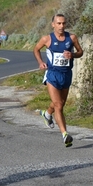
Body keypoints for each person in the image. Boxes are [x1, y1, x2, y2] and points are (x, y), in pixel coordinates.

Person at [33, 13, 83, 147]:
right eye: (59, 23)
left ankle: (47, 113)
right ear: (53, 24)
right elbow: (36, 49)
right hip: (52, 75)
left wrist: (72, 54)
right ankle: (65, 134)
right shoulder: (47, 39)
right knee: (59, 105)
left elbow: (80, 52)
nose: (61, 26)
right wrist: (41, 62)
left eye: (64, 23)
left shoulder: (71, 38)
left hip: (66, 74)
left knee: (59, 103)